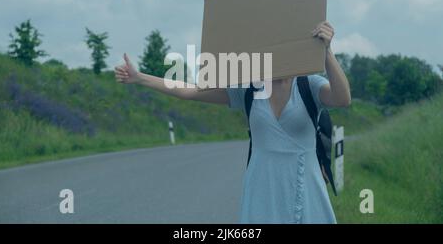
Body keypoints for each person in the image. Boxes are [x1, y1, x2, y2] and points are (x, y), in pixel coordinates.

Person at [114, 21, 351, 223]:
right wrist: (140, 78)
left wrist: (327, 51)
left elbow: (342, 98)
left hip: (304, 185)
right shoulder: (250, 87)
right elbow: (192, 91)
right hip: (262, 187)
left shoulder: (309, 84)